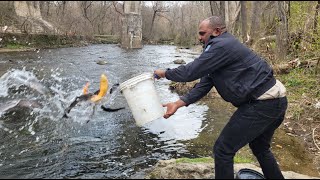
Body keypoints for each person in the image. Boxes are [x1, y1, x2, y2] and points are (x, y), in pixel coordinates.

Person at [153, 16, 287, 179]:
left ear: (217, 31)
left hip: (262, 103)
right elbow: (205, 83)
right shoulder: (221, 49)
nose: (199, 37)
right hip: (276, 100)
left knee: (223, 149)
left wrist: (165, 73)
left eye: (202, 33)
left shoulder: (220, 45)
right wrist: (178, 103)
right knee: (260, 148)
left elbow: (189, 72)